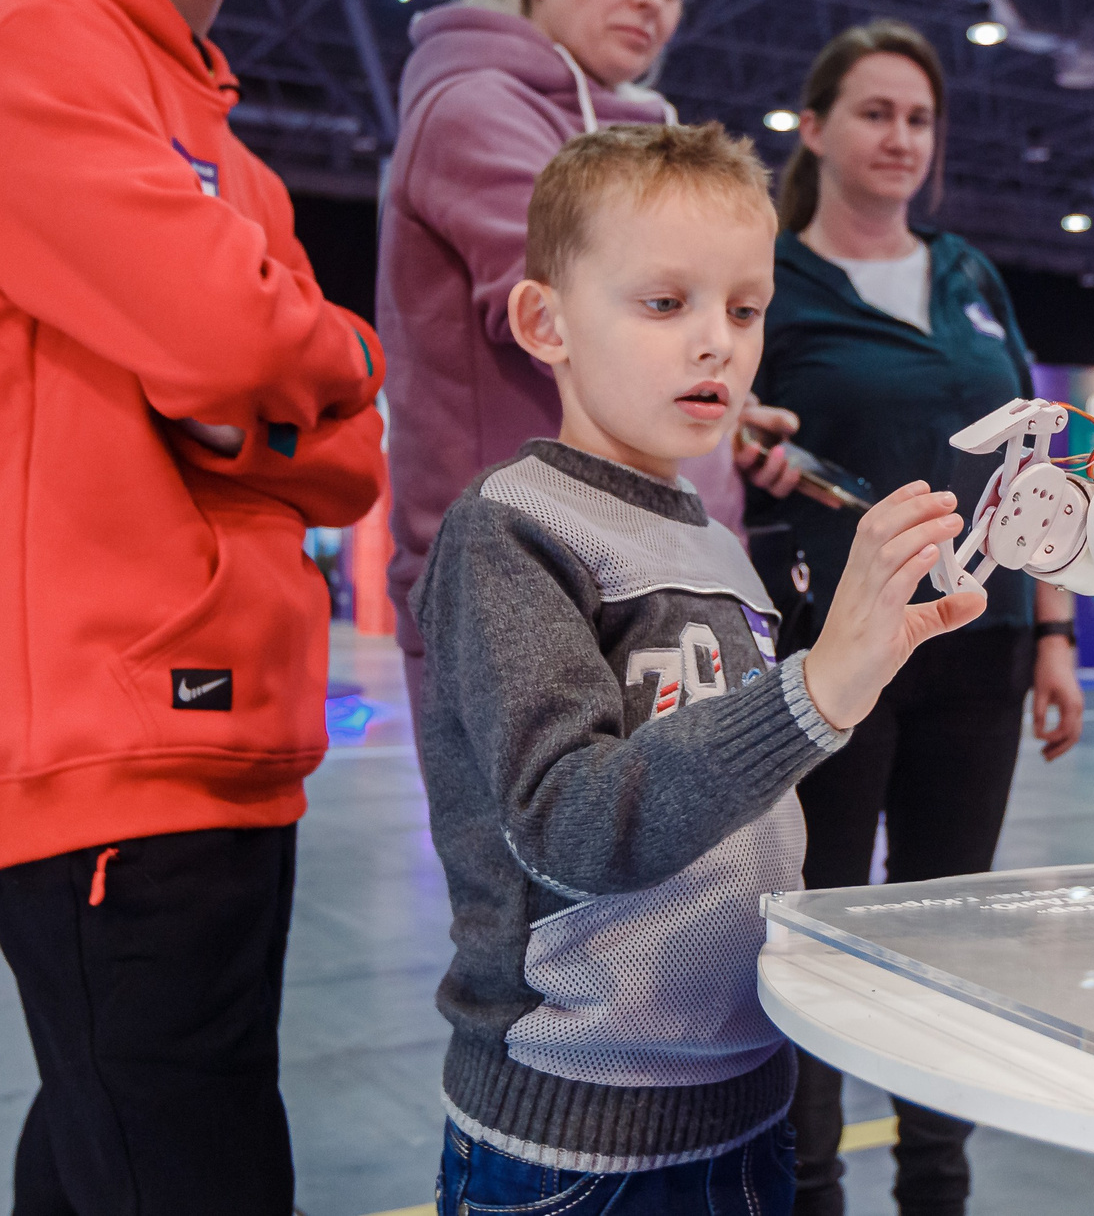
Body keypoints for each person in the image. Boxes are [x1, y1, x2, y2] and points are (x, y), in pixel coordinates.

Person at [0, 0, 386, 1213]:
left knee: (111, 1146)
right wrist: (303, 359)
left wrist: (270, 383)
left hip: (228, 735)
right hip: (116, 742)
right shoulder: (40, 40)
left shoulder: (225, 154)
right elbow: (248, 344)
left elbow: (348, 455)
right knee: (191, 1164)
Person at [410, 122, 987, 1215]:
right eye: (664, 304)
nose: (717, 342)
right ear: (547, 323)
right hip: (575, 1142)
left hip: (750, 1108)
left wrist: (848, 676)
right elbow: (578, 828)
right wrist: (814, 690)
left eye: (744, 308)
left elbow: (744, 814)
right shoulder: (511, 531)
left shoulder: (718, 546)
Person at [749, 20, 1084, 1216]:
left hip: (978, 651)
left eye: (920, 118)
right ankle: (810, 1188)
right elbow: (712, 432)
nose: (901, 137)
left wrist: (1053, 634)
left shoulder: (967, 276)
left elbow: (1039, 467)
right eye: (877, 112)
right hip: (834, 658)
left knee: (954, 931)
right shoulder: (772, 279)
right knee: (823, 934)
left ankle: (936, 1189)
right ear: (818, 128)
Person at [379, 0, 793, 725]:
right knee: (564, 861)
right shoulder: (474, 107)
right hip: (535, 583)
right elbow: (583, 316)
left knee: (701, 859)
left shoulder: (621, 131)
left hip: (655, 565)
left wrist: (721, 406)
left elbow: (628, 338)